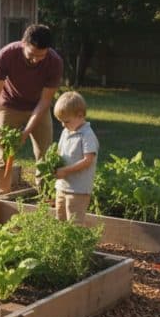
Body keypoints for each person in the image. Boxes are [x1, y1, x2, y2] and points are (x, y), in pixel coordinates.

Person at [0, 23, 63, 195]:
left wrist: (27, 131)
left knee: (45, 156)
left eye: (41, 56)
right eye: (32, 54)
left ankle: (46, 200)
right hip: (10, 106)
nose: (36, 59)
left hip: (38, 108)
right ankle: (1, 199)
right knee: (4, 155)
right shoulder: (6, 55)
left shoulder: (54, 63)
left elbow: (45, 101)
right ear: (23, 43)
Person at [52, 91, 98, 225]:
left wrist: (65, 171)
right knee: (60, 218)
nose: (63, 125)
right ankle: (63, 245)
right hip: (62, 186)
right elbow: (59, 152)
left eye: (66, 121)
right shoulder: (66, 132)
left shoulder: (87, 135)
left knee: (74, 222)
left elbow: (88, 160)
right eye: (60, 121)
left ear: (80, 115)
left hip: (78, 188)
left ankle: (76, 246)